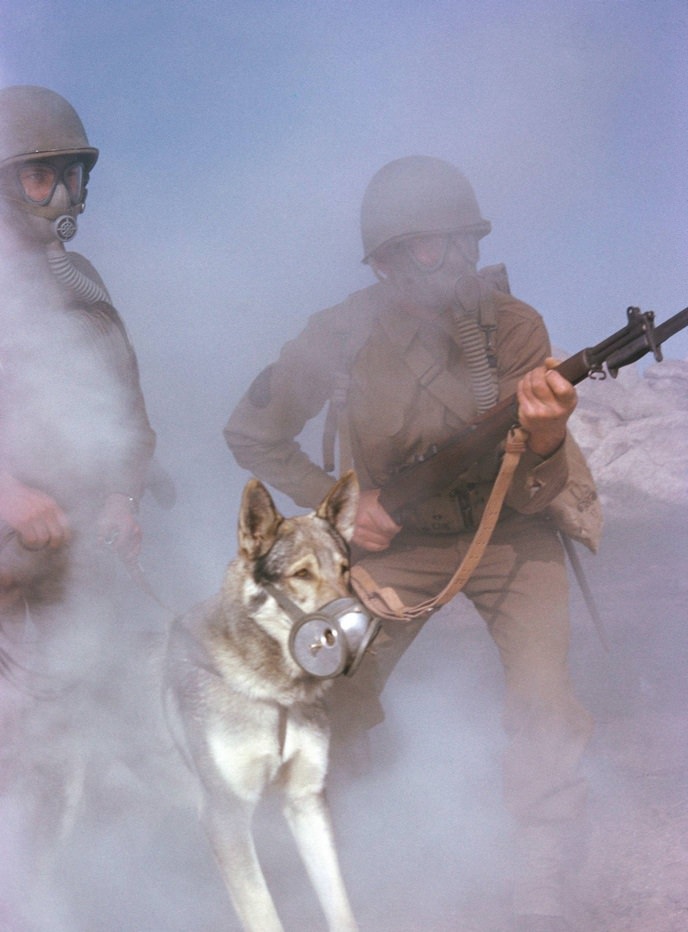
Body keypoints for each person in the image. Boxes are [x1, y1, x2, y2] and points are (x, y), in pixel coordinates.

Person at [224, 156, 601, 932]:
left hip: (509, 528)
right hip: (396, 543)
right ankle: (341, 867)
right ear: (385, 262)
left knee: (545, 701)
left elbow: (532, 480)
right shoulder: (339, 335)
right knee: (333, 691)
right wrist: (339, 515)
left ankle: (545, 880)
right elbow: (252, 432)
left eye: (454, 243)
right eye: (420, 250)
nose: (444, 265)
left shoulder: (515, 326)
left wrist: (546, 432)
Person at [0, 85, 156, 929]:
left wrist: (125, 496)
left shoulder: (81, 280)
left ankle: (79, 894)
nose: (62, 195)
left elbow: (124, 404)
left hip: (78, 552)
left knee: (88, 722)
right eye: (38, 178)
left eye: (72, 176)